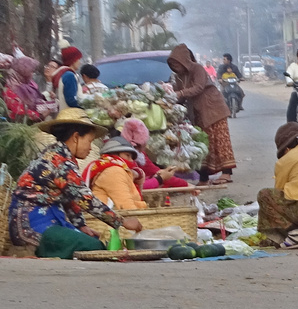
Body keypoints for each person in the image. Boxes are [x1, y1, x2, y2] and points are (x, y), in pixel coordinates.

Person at [6, 108, 142, 256]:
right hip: (33, 226)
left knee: (90, 239)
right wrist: (121, 222)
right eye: (89, 141)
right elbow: (85, 199)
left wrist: (81, 226)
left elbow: (69, 198)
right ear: (76, 137)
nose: (90, 148)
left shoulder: (55, 155)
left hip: (46, 221)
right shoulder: (60, 162)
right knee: (93, 245)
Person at [167, 44, 236, 184]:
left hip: (213, 108)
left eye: (177, 62)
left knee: (220, 141)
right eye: (172, 64)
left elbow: (198, 87)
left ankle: (227, 173)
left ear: (184, 60)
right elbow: (180, 96)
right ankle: (204, 176)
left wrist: (179, 93)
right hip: (197, 112)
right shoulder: (178, 77)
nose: (175, 66)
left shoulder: (197, 69)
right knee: (202, 144)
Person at [120, 117, 190, 190]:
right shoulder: (121, 163)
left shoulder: (139, 156)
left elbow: (153, 171)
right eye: (127, 155)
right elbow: (133, 187)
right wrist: (159, 179)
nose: (131, 160)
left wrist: (186, 184)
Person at [83, 136, 147, 210]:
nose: (131, 161)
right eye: (127, 155)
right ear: (115, 154)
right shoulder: (114, 171)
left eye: (131, 157)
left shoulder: (116, 170)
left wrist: (138, 174)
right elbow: (126, 206)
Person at [4, 55, 44, 121]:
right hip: (19, 126)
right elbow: (18, 112)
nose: (32, 74)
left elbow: (37, 98)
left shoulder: (30, 83)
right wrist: (39, 116)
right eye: (31, 71)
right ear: (23, 71)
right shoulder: (11, 88)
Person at [51, 46, 83, 111]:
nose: (80, 62)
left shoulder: (62, 73)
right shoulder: (70, 76)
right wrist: (85, 107)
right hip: (71, 116)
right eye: (78, 59)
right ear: (73, 60)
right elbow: (71, 100)